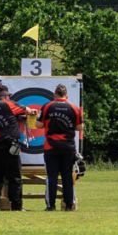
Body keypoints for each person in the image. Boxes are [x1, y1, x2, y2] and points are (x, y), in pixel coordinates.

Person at [40, 84, 83, 212]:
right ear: (66, 95)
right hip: (68, 147)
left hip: (51, 147)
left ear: (55, 95)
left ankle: (50, 206)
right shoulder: (74, 108)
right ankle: (69, 205)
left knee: (51, 177)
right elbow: (80, 127)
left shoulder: (47, 106)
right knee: (67, 177)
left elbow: (38, 124)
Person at [0, 85, 26, 211]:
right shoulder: (9, 104)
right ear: (6, 96)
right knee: (15, 178)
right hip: (10, 146)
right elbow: (29, 110)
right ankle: (16, 206)